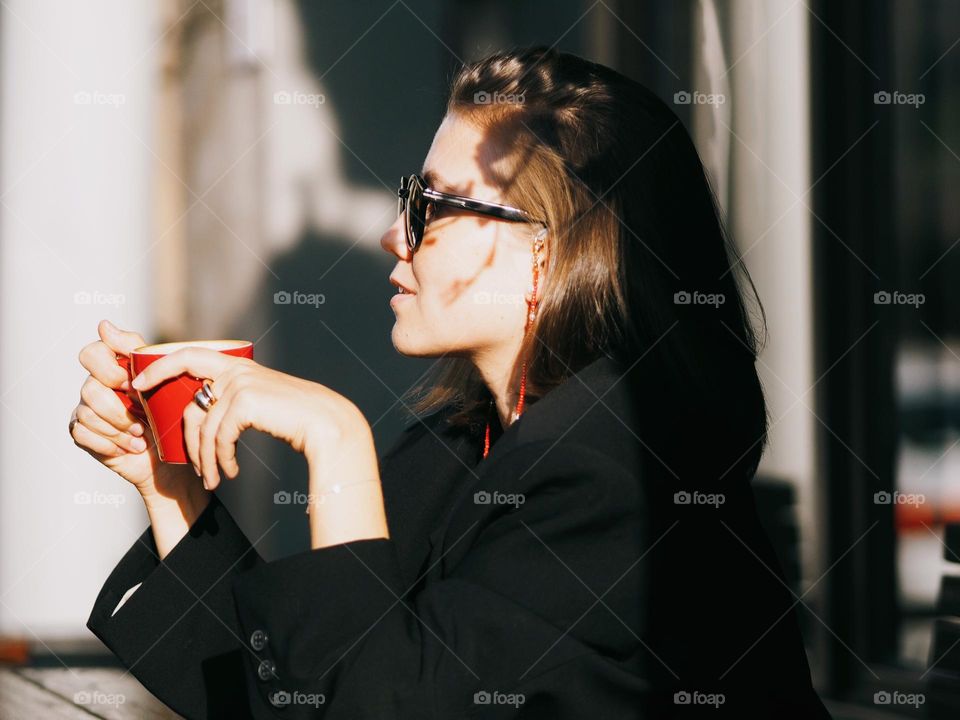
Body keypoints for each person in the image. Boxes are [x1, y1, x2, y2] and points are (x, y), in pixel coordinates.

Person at [70, 46, 832, 718]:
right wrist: (171, 484)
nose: (395, 232)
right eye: (411, 196)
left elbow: (383, 705)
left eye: (431, 205)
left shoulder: (620, 474)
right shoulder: (464, 446)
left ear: (550, 248)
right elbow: (298, 687)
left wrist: (334, 438)